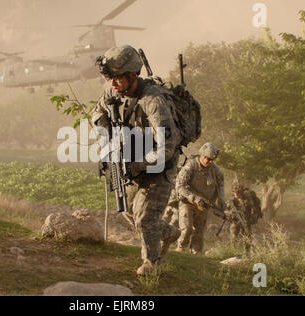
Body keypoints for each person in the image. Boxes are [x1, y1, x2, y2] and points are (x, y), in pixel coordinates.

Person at [92, 45, 182, 276]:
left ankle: (151, 263)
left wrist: (137, 165)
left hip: (159, 165)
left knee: (144, 218)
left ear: (132, 76)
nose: (112, 85)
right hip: (131, 161)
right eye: (110, 79)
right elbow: (97, 113)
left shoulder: (154, 101)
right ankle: (169, 232)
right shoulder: (114, 92)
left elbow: (167, 148)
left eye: (117, 79)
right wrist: (107, 139)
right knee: (129, 212)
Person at [175, 143, 225, 255]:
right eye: (207, 158)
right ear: (201, 155)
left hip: (204, 204)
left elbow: (221, 184)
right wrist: (194, 198)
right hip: (187, 202)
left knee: (199, 231)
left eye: (212, 159)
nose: (210, 161)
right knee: (187, 228)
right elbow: (179, 186)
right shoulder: (190, 166)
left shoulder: (215, 170)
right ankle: (181, 249)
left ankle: (196, 253)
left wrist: (221, 199)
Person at [229, 177, 263, 255]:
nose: (237, 194)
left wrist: (254, 217)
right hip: (236, 220)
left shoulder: (248, 198)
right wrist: (231, 214)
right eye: (235, 193)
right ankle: (233, 252)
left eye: (238, 193)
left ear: (242, 192)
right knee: (234, 236)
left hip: (246, 219)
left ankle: (246, 253)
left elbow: (256, 209)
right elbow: (226, 210)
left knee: (247, 237)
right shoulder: (232, 200)